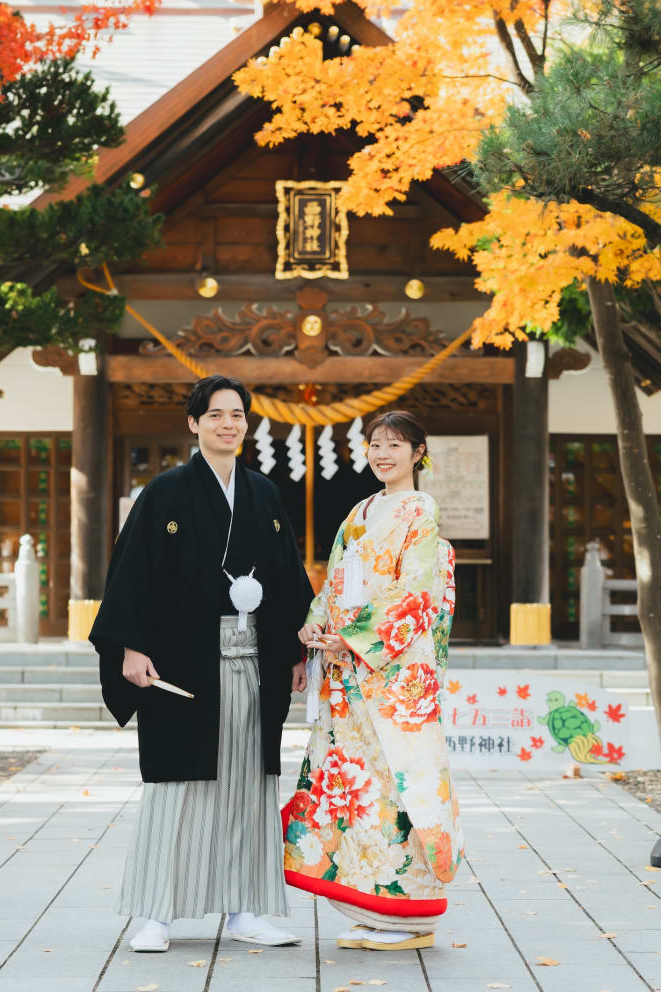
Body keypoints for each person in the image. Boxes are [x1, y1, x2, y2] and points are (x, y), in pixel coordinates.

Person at [90, 375, 314, 952]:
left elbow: (288, 577)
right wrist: (131, 647)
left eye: (237, 414)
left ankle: (244, 910)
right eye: (215, 415)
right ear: (193, 424)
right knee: (178, 783)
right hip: (183, 662)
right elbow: (131, 573)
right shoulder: (163, 493)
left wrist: (294, 651)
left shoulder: (263, 494)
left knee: (247, 783)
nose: (228, 424)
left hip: (251, 660)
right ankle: (156, 913)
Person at [284, 410, 463, 951]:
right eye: (375, 444)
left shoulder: (420, 510)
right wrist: (316, 619)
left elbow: (416, 590)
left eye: (395, 444)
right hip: (349, 676)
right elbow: (336, 579)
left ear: (418, 452)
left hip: (390, 676)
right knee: (355, 789)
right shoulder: (359, 512)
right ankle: (375, 905)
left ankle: (411, 913)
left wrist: (355, 637)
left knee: (395, 785)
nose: (382, 454)